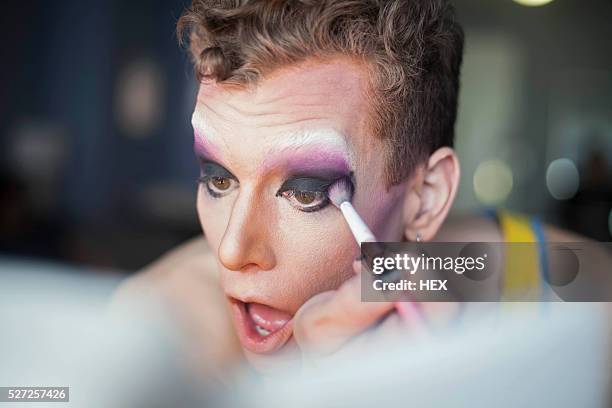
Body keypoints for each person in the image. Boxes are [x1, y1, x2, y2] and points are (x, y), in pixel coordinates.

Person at [110, 0, 609, 380]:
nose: (233, 249)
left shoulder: (486, 268)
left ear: (426, 197)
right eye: (219, 179)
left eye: (304, 192)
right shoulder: (158, 338)